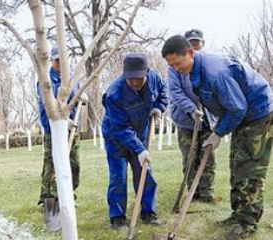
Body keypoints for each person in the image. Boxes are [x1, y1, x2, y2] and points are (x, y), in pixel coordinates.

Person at [162, 35, 273, 239]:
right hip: (243, 117)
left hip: (258, 115)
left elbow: (238, 107)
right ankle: (238, 215)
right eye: (172, 66)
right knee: (236, 165)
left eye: (177, 63)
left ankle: (247, 224)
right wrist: (217, 130)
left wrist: (218, 133)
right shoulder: (195, 71)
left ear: (190, 53)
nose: (176, 69)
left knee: (249, 169)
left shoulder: (214, 72)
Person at [102, 53, 168, 231]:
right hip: (116, 136)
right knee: (118, 176)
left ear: (146, 73)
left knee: (145, 172)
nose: (134, 83)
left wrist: (159, 108)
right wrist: (139, 149)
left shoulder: (155, 79)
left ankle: (148, 212)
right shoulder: (114, 93)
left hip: (141, 132)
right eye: (130, 78)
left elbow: (164, 94)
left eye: (138, 78)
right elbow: (121, 128)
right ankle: (117, 217)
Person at [168, 29, 217, 203]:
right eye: (191, 43)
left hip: (207, 120)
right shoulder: (175, 67)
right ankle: (193, 194)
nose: (195, 46)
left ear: (202, 44)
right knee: (190, 158)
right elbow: (175, 92)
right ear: (186, 48)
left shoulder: (207, 64)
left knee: (207, 157)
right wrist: (191, 109)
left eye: (197, 43)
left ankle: (207, 193)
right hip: (185, 120)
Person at [37, 46, 81, 205]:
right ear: (52, 61)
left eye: (63, 61)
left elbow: (76, 97)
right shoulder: (45, 81)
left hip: (72, 128)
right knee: (52, 163)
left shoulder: (72, 78)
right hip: (53, 128)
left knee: (74, 163)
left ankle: (70, 195)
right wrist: (62, 121)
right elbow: (50, 105)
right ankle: (49, 198)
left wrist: (81, 95)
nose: (60, 64)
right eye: (57, 61)